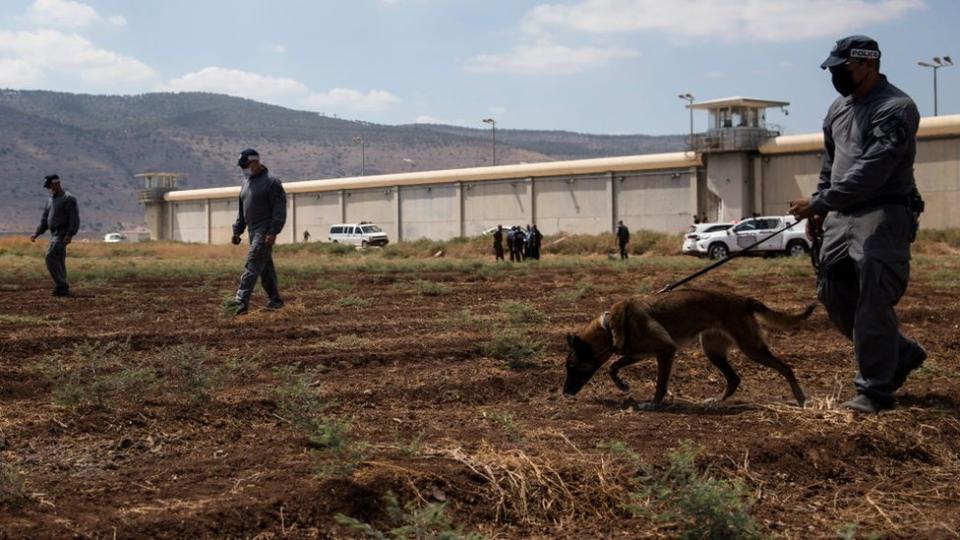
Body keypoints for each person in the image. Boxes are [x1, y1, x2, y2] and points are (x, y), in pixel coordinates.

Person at [789, 35, 926, 413]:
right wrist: (819, 209)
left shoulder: (896, 108)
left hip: (881, 213)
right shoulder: (837, 109)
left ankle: (875, 391)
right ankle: (900, 351)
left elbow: (873, 170)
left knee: (872, 298)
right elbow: (831, 167)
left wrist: (821, 202)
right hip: (841, 214)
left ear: (868, 64)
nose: (835, 75)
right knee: (832, 292)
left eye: (842, 68)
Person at [225, 149, 287, 315]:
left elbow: (279, 211)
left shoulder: (272, 182)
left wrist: (273, 231)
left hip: (265, 229)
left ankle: (240, 301)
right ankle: (276, 301)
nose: (243, 169)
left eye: (245, 165)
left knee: (253, 262)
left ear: (255, 162)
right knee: (265, 268)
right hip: (252, 230)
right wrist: (237, 230)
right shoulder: (245, 183)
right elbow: (242, 211)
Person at [30, 174, 80, 296]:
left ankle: (62, 285)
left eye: (51, 186)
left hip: (62, 234)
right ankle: (63, 288)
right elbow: (44, 220)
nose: (50, 189)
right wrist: (37, 233)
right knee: (59, 260)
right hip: (54, 234)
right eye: (48, 187)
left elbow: (74, 219)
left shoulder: (68, 198)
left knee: (50, 257)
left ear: (57, 183)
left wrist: (70, 234)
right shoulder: (50, 200)